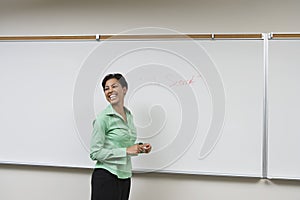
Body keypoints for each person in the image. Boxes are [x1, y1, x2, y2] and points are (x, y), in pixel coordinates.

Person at [90, 73, 152, 200]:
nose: (110, 91)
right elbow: (95, 153)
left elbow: (123, 144)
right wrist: (126, 151)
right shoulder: (103, 119)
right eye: (106, 88)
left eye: (114, 86)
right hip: (106, 176)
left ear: (124, 89)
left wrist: (140, 148)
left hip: (125, 176)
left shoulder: (129, 115)